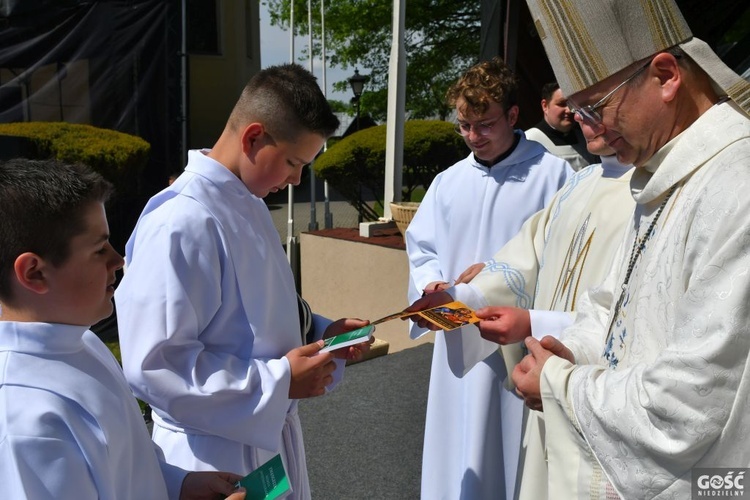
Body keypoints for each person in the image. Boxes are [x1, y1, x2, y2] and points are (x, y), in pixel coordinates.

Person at [513, 0, 750, 497]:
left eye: (595, 110)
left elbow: (685, 406)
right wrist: (571, 349)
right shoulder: (662, 175)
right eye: (577, 116)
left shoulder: (738, 185)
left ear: (665, 75)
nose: (592, 141)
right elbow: (614, 307)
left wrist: (560, 385)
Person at [114, 63, 371, 499]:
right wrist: (277, 383)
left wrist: (321, 331)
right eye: (293, 162)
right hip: (210, 456)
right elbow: (157, 363)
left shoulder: (246, 199)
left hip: (263, 442)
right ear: (253, 138)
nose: (295, 180)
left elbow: (254, 310)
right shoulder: (181, 221)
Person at [0, 158, 246, 500]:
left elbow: (121, 464)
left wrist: (177, 484)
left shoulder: (84, 341)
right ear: (34, 273)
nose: (118, 260)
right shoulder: (22, 416)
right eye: (99, 249)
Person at [408, 136, 634, 499]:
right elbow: (524, 258)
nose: (580, 117)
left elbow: (628, 311)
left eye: (594, 103)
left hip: (578, 376)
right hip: (508, 341)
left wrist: (533, 324)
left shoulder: (646, 191)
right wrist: (457, 301)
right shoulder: (582, 181)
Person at [405, 57, 573, 500]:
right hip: (456, 336)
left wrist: (500, 275)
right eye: (464, 126)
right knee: (455, 450)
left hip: (514, 344)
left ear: (514, 116)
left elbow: (566, 258)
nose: (473, 137)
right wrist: (431, 284)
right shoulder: (448, 181)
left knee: (511, 458)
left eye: (485, 124)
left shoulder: (555, 176)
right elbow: (422, 247)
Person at [525, 82, 598, 171]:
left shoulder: (584, 137)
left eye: (572, 104)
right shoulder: (529, 141)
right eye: (562, 104)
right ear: (545, 106)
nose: (569, 110)